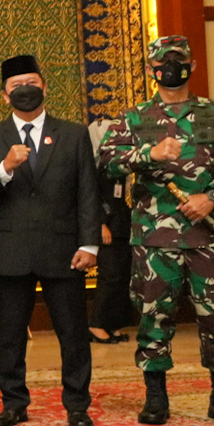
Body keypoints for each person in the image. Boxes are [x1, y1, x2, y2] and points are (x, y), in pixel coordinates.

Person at [98, 36, 214, 425]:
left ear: (192, 65)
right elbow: (107, 161)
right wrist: (148, 154)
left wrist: (212, 197)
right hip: (155, 238)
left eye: (178, 60)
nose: (171, 67)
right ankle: (156, 397)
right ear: (151, 70)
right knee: (154, 316)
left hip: (210, 234)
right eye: (163, 62)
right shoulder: (133, 118)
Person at [0, 55, 100, 426]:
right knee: (10, 335)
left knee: (73, 334)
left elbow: (88, 192)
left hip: (64, 250)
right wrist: (5, 168)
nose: (25, 89)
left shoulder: (74, 134)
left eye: (31, 82)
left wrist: (90, 244)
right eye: (16, 85)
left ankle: (77, 405)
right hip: (11, 251)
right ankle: (14, 403)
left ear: (44, 87)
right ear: (4, 95)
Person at [87, 119, 134, 344]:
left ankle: (113, 324)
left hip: (122, 224)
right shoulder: (92, 165)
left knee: (123, 275)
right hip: (106, 226)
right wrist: (101, 224)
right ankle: (96, 325)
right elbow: (90, 197)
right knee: (110, 275)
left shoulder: (117, 163)